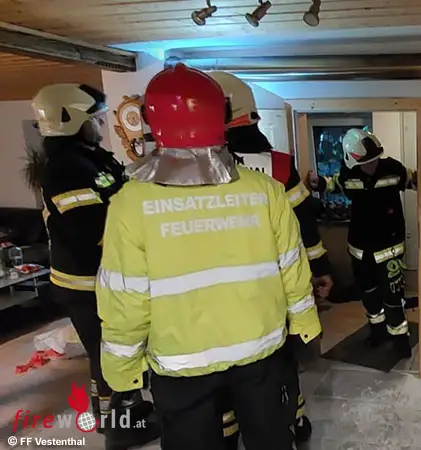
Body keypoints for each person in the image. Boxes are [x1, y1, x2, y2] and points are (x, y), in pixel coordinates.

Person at [95, 63, 321, 450]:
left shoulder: (130, 203)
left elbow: (125, 297)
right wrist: (305, 326)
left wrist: (123, 367)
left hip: (180, 364)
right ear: (223, 113)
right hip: (260, 350)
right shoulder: (263, 190)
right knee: (270, 440)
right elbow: (292, 267)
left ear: (152, 122)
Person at [25, 83, 160, 450]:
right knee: (109, 355)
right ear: (72, 120)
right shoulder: (65, 170)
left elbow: (117, 192)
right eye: (95, 118)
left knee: (116, 351)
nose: (100, 123)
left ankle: (119, 414)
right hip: (85, 283)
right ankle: (119, 428)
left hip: (102, 279)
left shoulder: (90, 158)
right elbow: (88, 230)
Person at [207, 70, 331, 445]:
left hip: (212, 293)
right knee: (278, 364)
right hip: (272, 289)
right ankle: (293, 419)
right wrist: (320, 269)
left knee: (221, 370)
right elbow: (304, 224)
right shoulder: (277, 165)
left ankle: (227, 431)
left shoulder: (182, 171)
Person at [307, 129, 418, 358]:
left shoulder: (393, 169)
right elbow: (334, 184)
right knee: (369, 295)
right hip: (360, 251)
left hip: (389, 250)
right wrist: (318, 184)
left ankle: (400, 342)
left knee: (393, 299)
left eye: (375, 159)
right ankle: (377, 333)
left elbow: (416, 179)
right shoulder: (348, 175)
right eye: (367, 161)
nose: (372, 164)